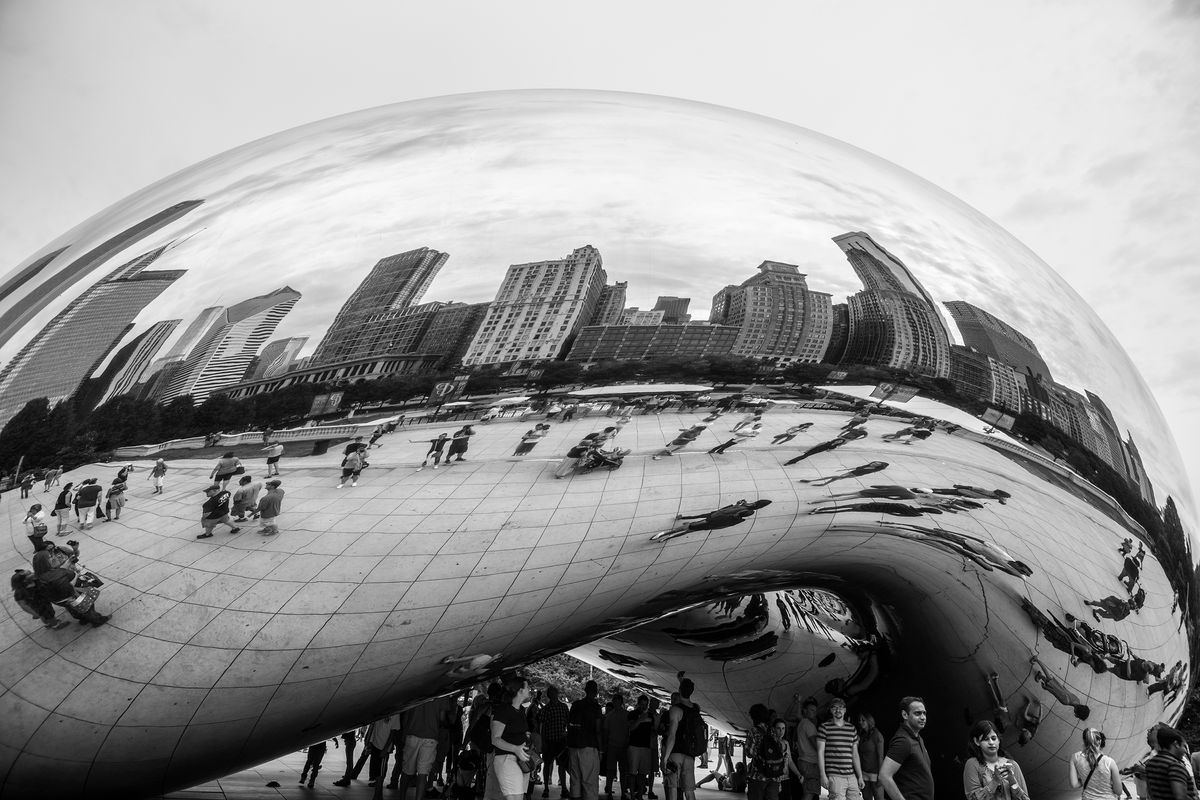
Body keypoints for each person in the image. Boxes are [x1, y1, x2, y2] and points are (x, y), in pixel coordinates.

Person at [877, 697, 933, 800]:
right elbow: (884, 776)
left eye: (924, 713)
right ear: (905, 715)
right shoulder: (903, 741)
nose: (923, 717)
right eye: (917, 713)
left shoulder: (918, 738)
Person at [488, 675, 533, 800]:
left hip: (521, 761)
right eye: (527, 687)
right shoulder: (503, 710)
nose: (529, 689)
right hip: (507, 759)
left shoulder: (521, 711)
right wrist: (515, 748)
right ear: (520, 691)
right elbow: (495, 739)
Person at [660, 677, 704, 800]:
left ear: (679, 690)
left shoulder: (675, 710)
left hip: (675, 754)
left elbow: (672, 735)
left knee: (673, 788)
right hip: (690, 754)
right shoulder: (696, 709)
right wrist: (682, 681)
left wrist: (665, 757)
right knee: (689, 790)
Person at [961, 720, 1027, 800]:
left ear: (998, 740)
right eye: (986, 739)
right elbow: (972, 798)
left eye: (993, 738)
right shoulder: (972, 764)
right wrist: (995, 781)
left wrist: (1013, 782)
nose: (991, 742)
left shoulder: (1013, 765)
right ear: (977, 741)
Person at [650, 500, 772, 543]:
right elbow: (731, 509)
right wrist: (739, 504)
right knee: (689, 528)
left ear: (757, 506)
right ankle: (666, 536)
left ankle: (665, 535)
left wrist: (740, 509)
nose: (753, 503)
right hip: (715, 516)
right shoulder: (746, 505)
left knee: (690, 528)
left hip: (715, 521)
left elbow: (734, 517)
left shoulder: (749, 511)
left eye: (756, 504)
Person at [818, 698, 864, 800]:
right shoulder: (824, 727)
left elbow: (855, 754)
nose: (838, 710)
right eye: (834, 707)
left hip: (851, 776)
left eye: (840, 707)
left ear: (845, 710)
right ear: (830, 710)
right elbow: (820, 752)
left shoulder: (851, 728)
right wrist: (823, 775)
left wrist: (860, 776)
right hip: (835, 776)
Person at [569, 680, 604, 800]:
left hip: (574, 746)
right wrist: (601, 750)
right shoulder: (595, 707)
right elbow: (598, 730)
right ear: (596, 692)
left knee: (575, 780)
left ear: (585, 690)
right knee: (589, 782)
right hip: (589, 746)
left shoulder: (575, 705)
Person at [1143, 726, 1196, 800]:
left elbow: (1150, 793)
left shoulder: (1151, 763)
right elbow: (1180, 797)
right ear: (1176, 744)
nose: (1185, 751)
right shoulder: (1175, 766)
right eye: (1184, 746)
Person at [1068, 728, 1121, 800]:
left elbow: (1074, 785)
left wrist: (1085, 779)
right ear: (1099, 741)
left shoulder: (1075, 758)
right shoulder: (1110, 762)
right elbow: (1118, 791)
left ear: (1084, 741)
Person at [541, 686, 571, 798]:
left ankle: (563, 788)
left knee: (562, 765)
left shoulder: (563, 707)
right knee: (548, 764)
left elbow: (568, 723)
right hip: (549, 741)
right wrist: (543, 742)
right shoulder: (546, 709)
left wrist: (567, 737)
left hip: (561, 741)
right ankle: (546, 788)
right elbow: (543, 727)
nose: (553, 694)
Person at [855, 713, 886, 800]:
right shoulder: (862, 735)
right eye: (859, 720)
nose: (860, 722)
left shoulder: (877, 735)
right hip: (864, 774)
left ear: (869, 721)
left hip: (875, 775)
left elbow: (880, 756)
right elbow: (858, 754)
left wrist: (881, 776)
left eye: (863, 720)